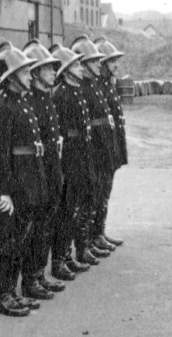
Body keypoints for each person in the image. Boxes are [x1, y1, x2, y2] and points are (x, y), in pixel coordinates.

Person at [0, 42, 49, 317]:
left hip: (27, 181)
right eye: (23, 71)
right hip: (12, 186)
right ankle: (2, 296)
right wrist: (3, 192)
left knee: (19, 240)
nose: (29, 75)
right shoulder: (1, 109)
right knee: (5, 242)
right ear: (10, 76)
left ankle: (12, 291)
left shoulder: (22, 104)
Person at [20, 40, 66, 299]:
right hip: (38, 172)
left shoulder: (46, 99)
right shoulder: (31, 102)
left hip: (51, 168)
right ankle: (30, 280)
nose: (53, 73)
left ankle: (39, 273)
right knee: (35, 229)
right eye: (48, 69)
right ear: (36, 73)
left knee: (46, 227)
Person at [49, 44, 96, 276]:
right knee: (65, 212)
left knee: (73, 210)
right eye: (76, 65)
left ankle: (66, 256)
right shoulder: (62, 94)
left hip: (80, 155)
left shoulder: (76, 90)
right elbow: (60, 135)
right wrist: (64, 167)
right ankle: (59, 260)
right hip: (69, 158)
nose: (80, 68)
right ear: (66, 71)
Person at [70, 36, 116, 262]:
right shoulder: (84, 89)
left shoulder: (94, 87)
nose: (100, 64)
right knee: (89, 198)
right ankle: (86, 242)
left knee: (98, 196)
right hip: (91, 151)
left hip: (100, 149)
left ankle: (94, 236)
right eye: (95, 61)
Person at [93, 37, 127, 249]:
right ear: (103, 64)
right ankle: (94, 236)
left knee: (105, 192)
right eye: (112, 61)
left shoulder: (109, 85)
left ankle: (99, 232)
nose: (116, 65)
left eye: (116, 60)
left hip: (111, 145)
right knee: (98, 193)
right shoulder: (98, 87)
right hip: (101, 148)